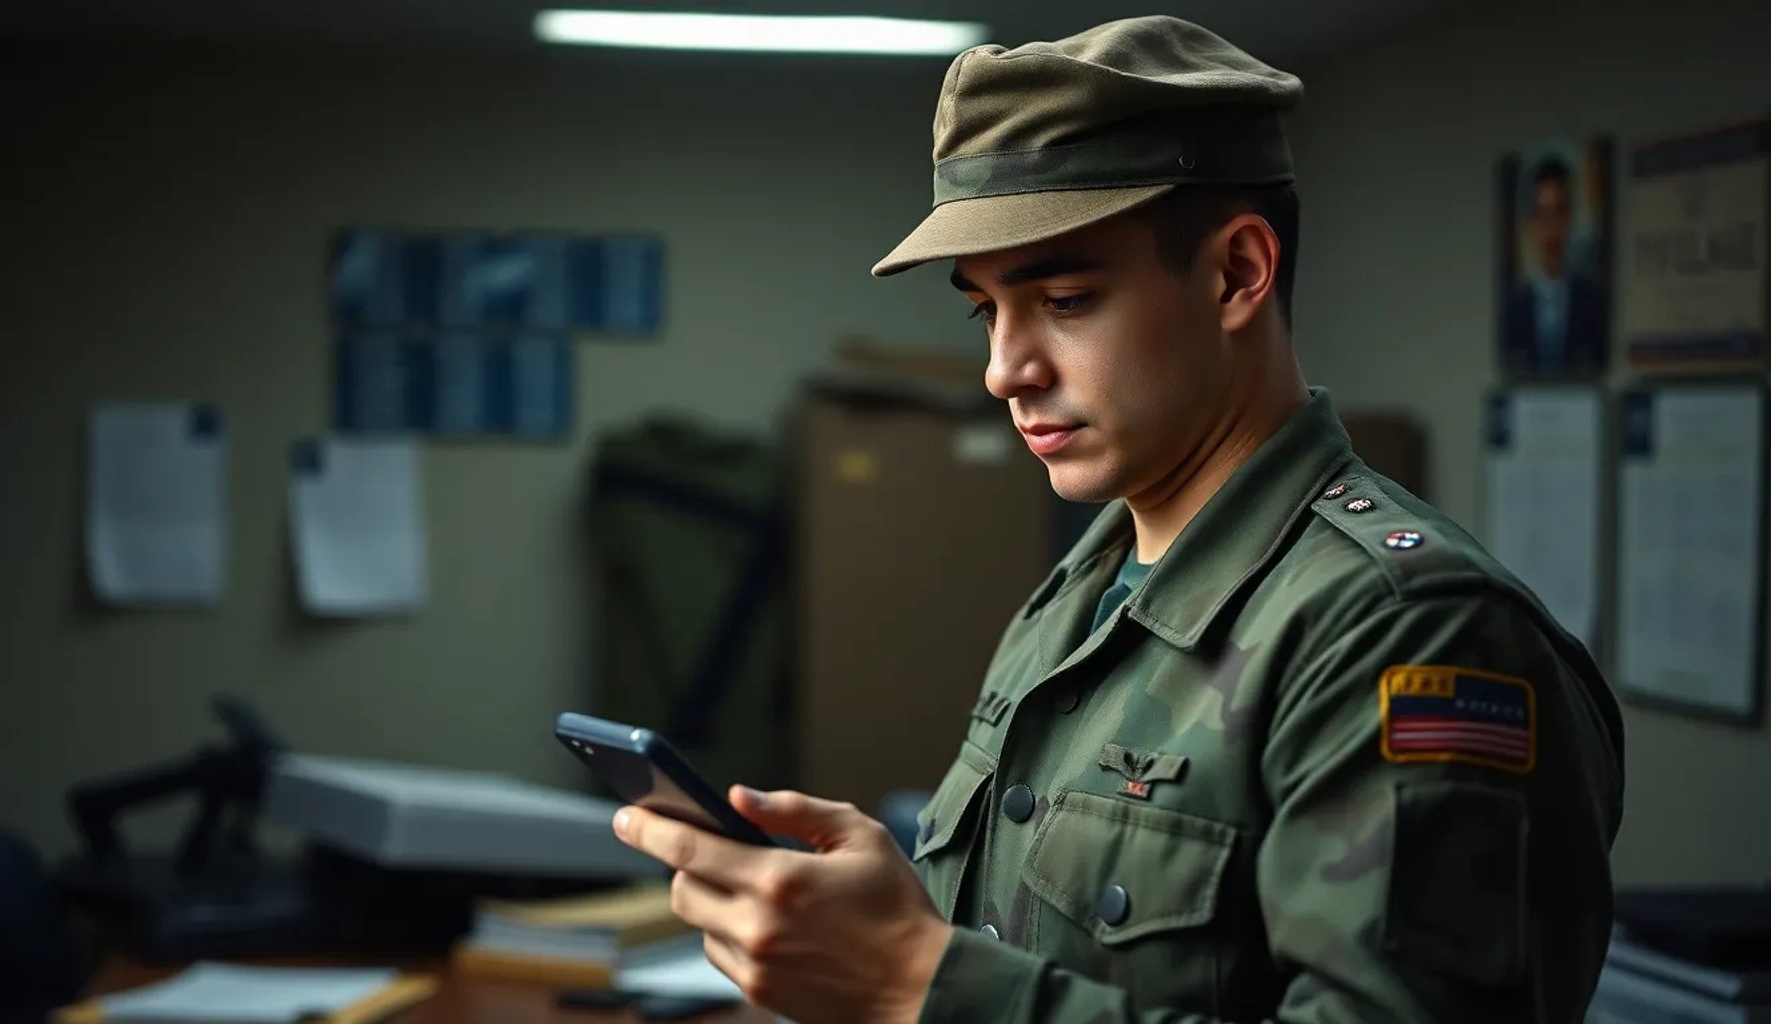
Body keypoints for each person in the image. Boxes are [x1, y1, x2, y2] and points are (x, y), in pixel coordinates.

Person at [613, 15, 1625, 1023]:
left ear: (1236, 273)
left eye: (1062, 299)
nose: (1003, 370)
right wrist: (893, 926)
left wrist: (915, 982)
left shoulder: (1404, 628)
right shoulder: (1082, 595)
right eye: (986, 310)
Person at [1502, 156, 1610, 374]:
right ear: (1531, 223)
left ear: (1569, 218)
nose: (1551, 229)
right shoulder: (1514, 306)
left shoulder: (1593, 301)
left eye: (1558, 213)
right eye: (1542, 215)